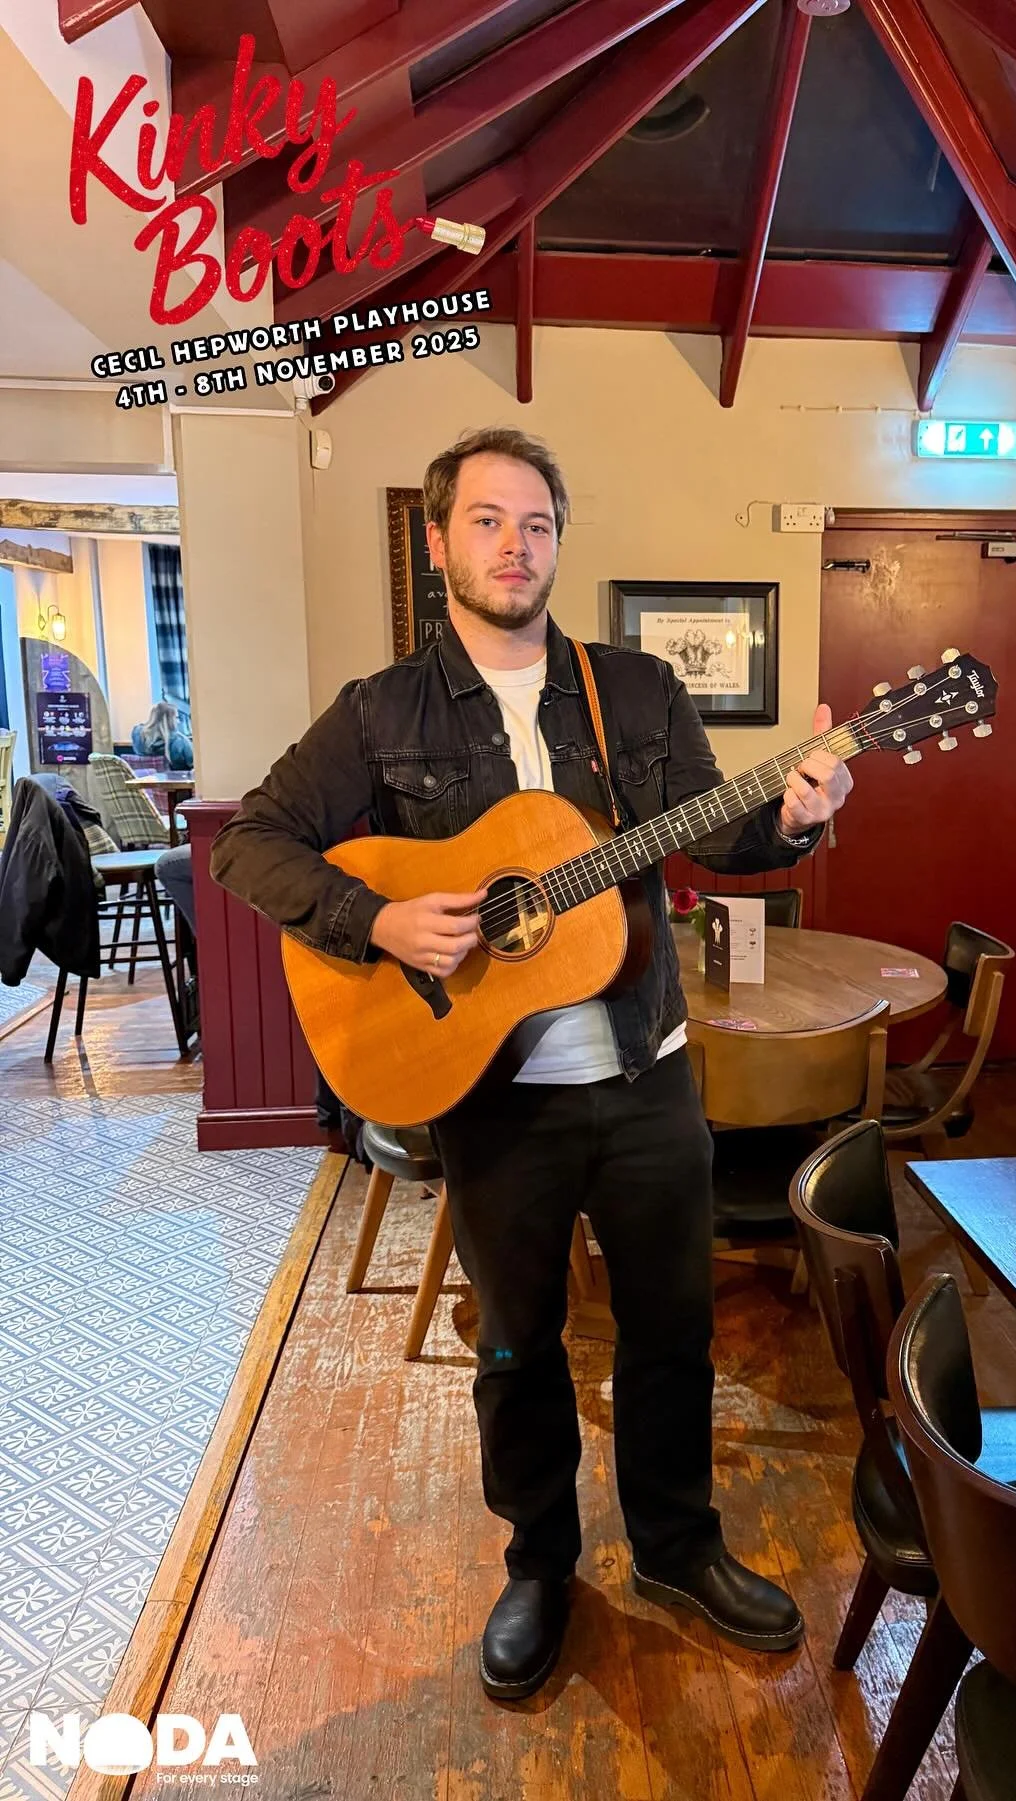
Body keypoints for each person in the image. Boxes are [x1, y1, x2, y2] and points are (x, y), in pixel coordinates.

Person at [210, 426, 852, 1701]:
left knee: (671, 1323)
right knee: (519, 1341)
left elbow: (715, 841)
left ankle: (677, 1544)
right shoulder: (377, 712)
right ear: (439, 540)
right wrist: (378, 918)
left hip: (647, 1071)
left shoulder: (638, 689)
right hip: (491, 1095)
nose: (517, 544)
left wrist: (790, 814)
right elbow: (252, 843)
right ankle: (540, 1562)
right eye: (490, 521)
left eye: (539, 523)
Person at [131, 700, 193, 771]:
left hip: (145, 780)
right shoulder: (180, 742)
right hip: (175, 780)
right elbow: (195, 765)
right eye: (176, 717)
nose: (178, 721)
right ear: (170, 720)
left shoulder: (138, 737)